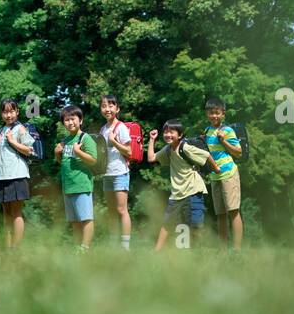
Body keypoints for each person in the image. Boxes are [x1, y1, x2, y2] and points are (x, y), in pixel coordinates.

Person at [147, 120, 216, 249]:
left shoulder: (185, 147)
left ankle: (196, 251)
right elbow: (151, 158)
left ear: (180, 135)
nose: (167, 134)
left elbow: (206, 155)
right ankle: (157, 251)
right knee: (168, 224)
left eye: (171, 132)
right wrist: (152, 139)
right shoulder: (168, 149)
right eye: (165, 132)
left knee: (195, 223)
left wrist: (216, 169)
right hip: (177, 194)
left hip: (193, 190)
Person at [54, 105, 98, 251]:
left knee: (86, 219)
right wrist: (57, 154)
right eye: (66, 120)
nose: (70, 122)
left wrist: (78, 152)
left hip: (82, 185)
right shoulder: (65, 140)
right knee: (74, 221)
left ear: (80, 120)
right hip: (68, 186)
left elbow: (93, 159)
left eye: (73, 119)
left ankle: (85, 248)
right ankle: (77, 247)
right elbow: (64, 162)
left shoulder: (85, 138)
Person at [0, 97, 35, 248]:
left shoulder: (20, 128)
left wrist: (12, 141)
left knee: (16, 212)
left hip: (17, 174)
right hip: (2, 175)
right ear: (1, 114)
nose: (8, 115)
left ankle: (16, 247)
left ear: (17, 112)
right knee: (6, 212)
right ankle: (8, 246)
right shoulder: (1, 130)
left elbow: (29, 150)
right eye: (5, 112)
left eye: (11, 111)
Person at [202, 96, 243, 250]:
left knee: (233, 211)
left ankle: (237, 250)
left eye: (217, 113)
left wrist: (223, 140)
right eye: (211, 113)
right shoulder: (207, 131)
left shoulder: (227, 131)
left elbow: (238, 152)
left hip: (229, 174)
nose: (214, 116)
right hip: (214, 176)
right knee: (220, 214)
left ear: (223, 114)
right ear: (207, 114)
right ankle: (223, 250)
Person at [99, 94, 133, 250]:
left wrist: (114, 141)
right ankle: (113, 244)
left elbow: (129, 151)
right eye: (104, 106)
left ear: (117, 109)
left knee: (121, 209)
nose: (107, 109)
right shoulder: (103, 129)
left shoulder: (121, 128)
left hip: (120, 172)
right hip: (107, 173)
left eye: (111, 106)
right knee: (111, 210)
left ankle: (125, 246)